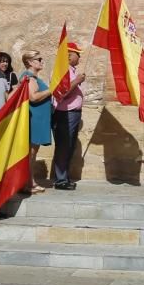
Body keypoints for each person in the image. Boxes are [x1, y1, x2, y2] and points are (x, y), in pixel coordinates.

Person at [52, 41, 86, 190]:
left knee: (69, 146)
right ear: (69, 56)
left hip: (73, 113)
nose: (79, 57)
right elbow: (61, 93)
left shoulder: (70, 70)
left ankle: (64, 177)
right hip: (64, 113)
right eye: (76, 54)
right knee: (64, 146)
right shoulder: (63, 70)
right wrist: (77, 81)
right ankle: (60, 179)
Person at [20, 50, 54, 194]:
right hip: (34, 119)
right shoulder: (29, 77)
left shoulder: (32, 77)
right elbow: (33, 97)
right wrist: (51, 90)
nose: (41, 61)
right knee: (30, 154)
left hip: (38, 119)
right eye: (38, 59)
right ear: (29, 62)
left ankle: (29, 181)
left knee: (32, 154)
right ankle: (28, 183)